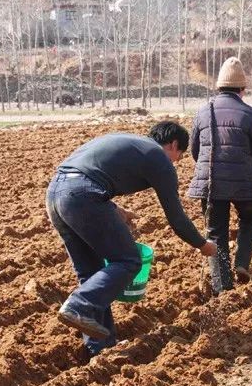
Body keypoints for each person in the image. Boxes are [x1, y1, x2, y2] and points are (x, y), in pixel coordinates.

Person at [48, 121, 217, 356]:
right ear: (174, 144)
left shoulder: (132, 144)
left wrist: (118, 210)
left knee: (92, 274)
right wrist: (202, 244)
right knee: (129, 260)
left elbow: (86, 175)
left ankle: (99, 348)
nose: (176, 161)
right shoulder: (159, 158)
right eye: (179, 155)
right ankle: (78, 305)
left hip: (56, 194)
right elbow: (176, 218)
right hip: (83, 196)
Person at [188, 57, 252, 295]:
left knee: (216, 233)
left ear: (219, 87)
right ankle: (241, 263)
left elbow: (195, 150)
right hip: (243, 181)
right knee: (251, 218)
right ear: (242, 89)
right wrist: (250, 176)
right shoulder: (250, 114)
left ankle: (224, 288)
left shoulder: (203, 111)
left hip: (210, 182)